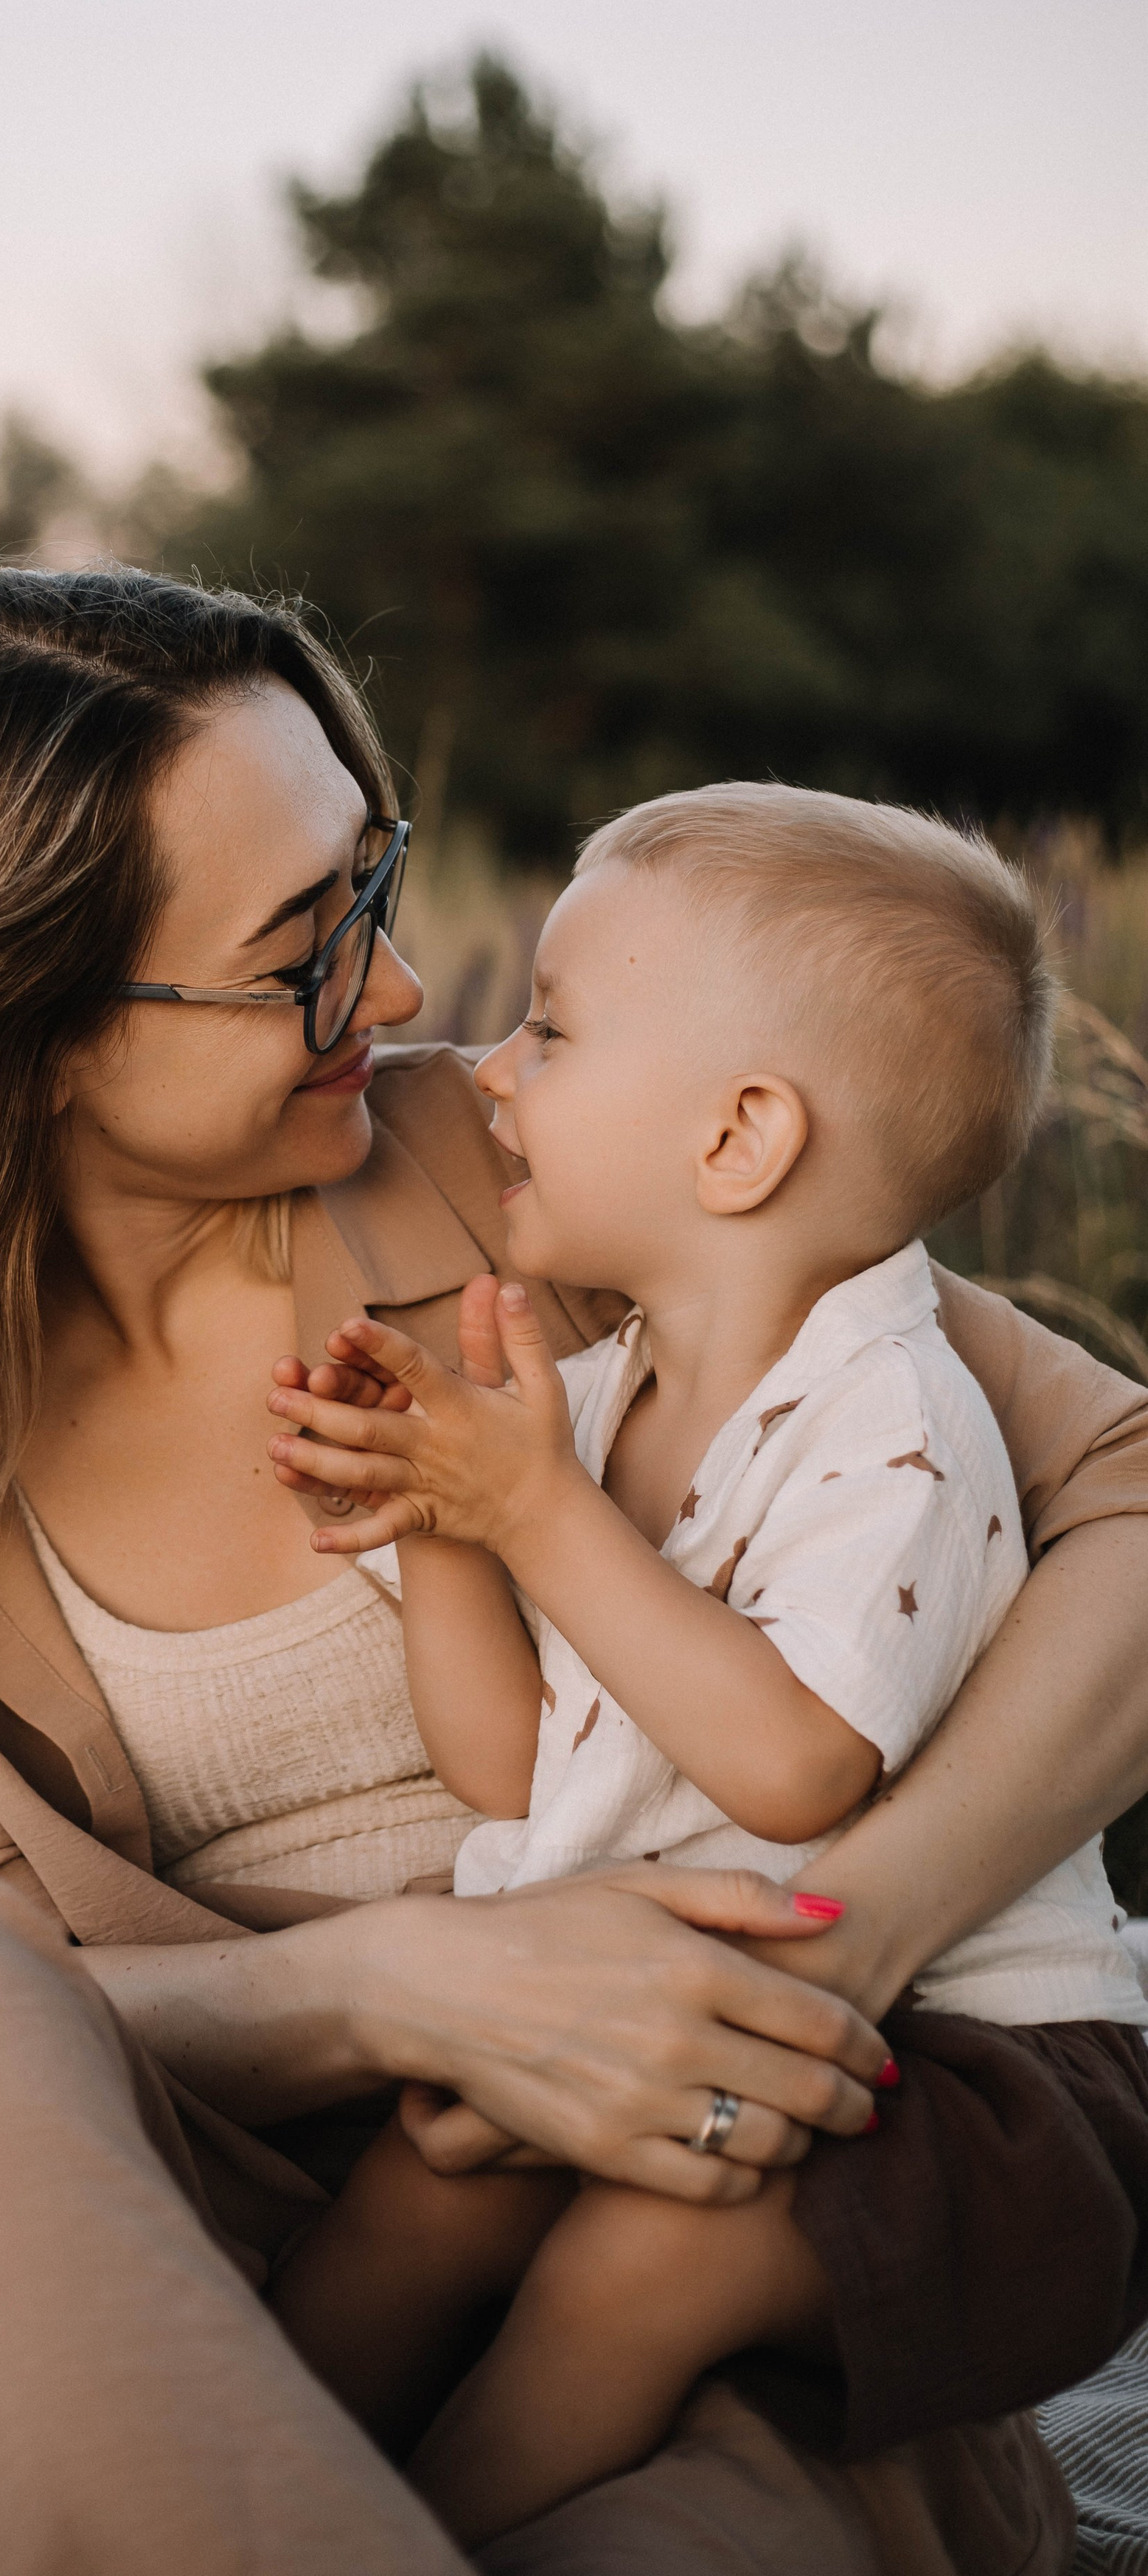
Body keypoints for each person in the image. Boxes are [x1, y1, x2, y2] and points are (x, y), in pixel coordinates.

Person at [0, 565, 1148, 2576]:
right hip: (199, 2241)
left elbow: (1123, 1492)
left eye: (373, 885)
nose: (410, 999)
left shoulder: (534, 1171)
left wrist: (838, 1939)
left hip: (692, 2222)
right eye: (302, 955)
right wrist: (409, 1990)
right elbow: (23, 2020)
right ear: (31, 1028)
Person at [261, 786, 1148, 2548]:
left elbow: (795, 1769)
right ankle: (206, 2493)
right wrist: (439, 1524)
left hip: (979, 2073)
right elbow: (513, 1772)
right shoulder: (589, 1408)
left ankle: (409, 2545)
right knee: (422, 2186)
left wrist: (529, 1522)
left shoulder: (893, 1426)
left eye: (553, 1031)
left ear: (737, 1140)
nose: (489, 1072)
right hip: (708, 2022)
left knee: (639, 2263)